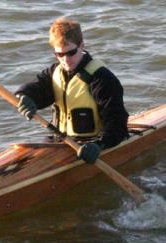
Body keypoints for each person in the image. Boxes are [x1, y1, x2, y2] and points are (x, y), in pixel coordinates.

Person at [15, 17, 129, 164]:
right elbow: (36, 89)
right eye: (60, 54)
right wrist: (24, 96)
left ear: (81, 45)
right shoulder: (54, 73)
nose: (66, 60)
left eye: (71, 53)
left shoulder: (101, 78)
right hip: (61, 142)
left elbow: (117, 121)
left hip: (91, 145)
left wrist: (100, 145)